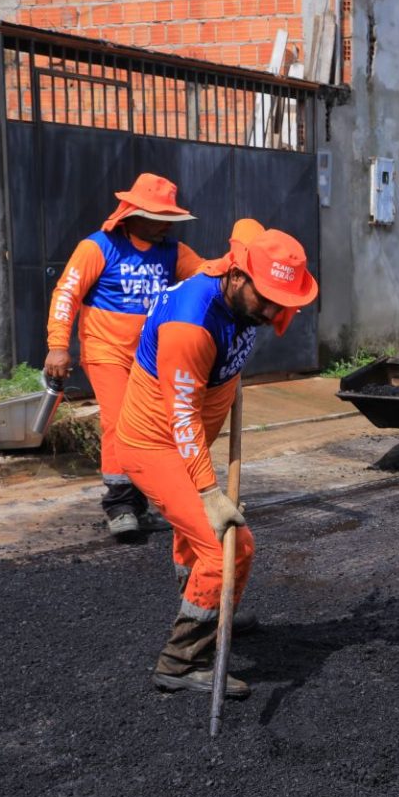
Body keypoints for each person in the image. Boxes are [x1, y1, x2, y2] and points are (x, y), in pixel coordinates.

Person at [116, 228, 318, 699]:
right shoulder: (190, 324)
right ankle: (182, 662)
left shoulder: (243, 284)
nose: (272, 312)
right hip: (157, 443)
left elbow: (247, 229)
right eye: (267, 299)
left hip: (187, 440)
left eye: (280, 301)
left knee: (199, 545)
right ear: (237, 274)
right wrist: (209, 493)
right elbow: (181, 416)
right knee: (228, 545)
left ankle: (212, 602)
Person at [45, 173, 205, 539]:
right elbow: (66, 294)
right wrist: (58, 345)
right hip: (107, 352)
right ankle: (119, 506)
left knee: (155, 429)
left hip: (151, 358)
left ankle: (145, 502)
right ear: (134, 213)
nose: (166, 225)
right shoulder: (98, 247)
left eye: (170, 218)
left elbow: (206, 278)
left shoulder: (174, 252)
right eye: (159, 217)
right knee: (118, 424)